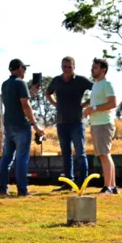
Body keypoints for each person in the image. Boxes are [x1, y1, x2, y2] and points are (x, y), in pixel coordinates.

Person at [0, 58, 45, 197]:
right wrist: (35, 125)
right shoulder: (21, 83)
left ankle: (2, 188)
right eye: (24, 68)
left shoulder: (5, 84)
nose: (25, 72)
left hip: (8, 124)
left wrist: (31, 92)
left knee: (6, 157)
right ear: (19, 68)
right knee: (22, 158)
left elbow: (16, 101)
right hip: (21, 125)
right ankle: (22, 190)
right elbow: (25, 105)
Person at [46, 56, 94, 189]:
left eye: (69, 67)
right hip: (61, 122)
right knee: (66, 153)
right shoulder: (56, 80)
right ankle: (68, 183)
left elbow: (95, 90)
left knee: (80, 152)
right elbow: (48, 93)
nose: (66, 69)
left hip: (76, 122)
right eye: (64, 66)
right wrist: (55, 104)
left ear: (74, 67)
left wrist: (85, 104)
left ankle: (82, 182)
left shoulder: (81, 80)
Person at [84, 57, 118, 195]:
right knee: (104, 155)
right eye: (92, 67)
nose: (92, 69)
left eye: (95, 67)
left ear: (103, 70)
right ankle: (113, 186)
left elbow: (112, 103)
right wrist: (87, 109)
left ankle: (108, 187)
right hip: (97, 124)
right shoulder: (95, 85)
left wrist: (94, 108)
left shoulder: (107, 84)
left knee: (104, 155)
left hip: (104, 124)